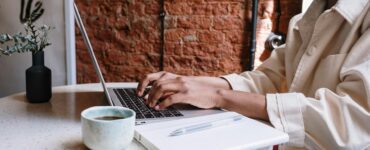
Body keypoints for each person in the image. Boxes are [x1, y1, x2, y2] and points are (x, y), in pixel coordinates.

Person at [136, 0, 370, 149]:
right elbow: (269, 78)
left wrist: (219, 97)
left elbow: (350, 121)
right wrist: (191, 83)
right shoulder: (311, 16)